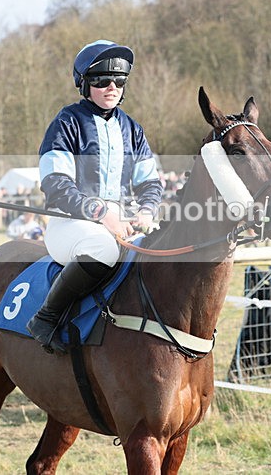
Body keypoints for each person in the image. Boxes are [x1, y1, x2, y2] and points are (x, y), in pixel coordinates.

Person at [27, 39, 163, 354]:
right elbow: (56, 183)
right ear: (84, 84)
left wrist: (146, 210)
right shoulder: (67, 122)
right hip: (72, 224)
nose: (111, 87)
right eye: (102, 81)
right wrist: (102, 213)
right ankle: (46, 318)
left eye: (119, 81)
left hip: (123, 223)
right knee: (102, 248)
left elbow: (150, 183)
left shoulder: (133, 129)